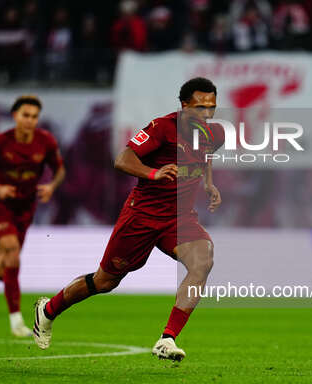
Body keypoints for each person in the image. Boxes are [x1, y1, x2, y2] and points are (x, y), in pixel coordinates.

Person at [33, 78, 223, 361]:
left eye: (212, 107)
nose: (206, 113)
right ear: (184, 105)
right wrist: (152, 173)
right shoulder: (162, 128)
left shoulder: (215, 133)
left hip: (179, 218)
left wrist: (208, 184)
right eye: (200, 107)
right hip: (143, 215)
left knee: (203, 261)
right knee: (105, 281)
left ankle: (167, 339)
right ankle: (48, 310)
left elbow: (204, 156)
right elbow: (123, 158)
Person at [0, 95, 65, 337]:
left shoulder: (45, 141)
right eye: (25, 115)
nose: (30, 120)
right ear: (15, 116)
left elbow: (60, 170)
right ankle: (17, 321)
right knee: (13, 255)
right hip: (0, 205)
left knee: (2, 271)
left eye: (34, 116)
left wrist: (51, 187)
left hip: (26, 208)